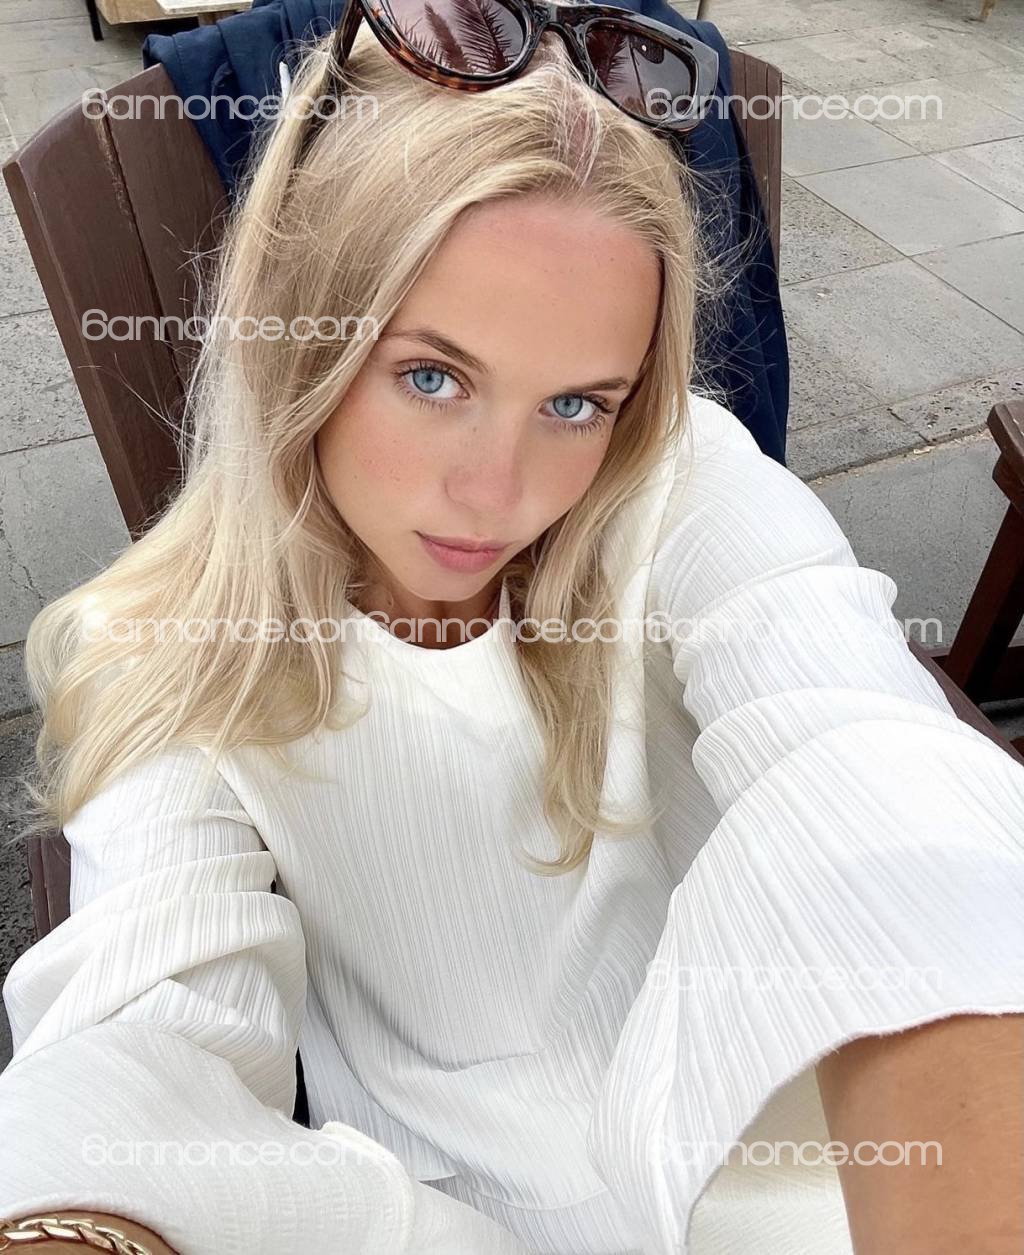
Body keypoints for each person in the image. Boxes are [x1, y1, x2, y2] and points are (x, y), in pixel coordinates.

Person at [2, 8, 1023, 1255]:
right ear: (303, 338)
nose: (499, 493)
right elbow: (142, 1036)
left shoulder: (673, 485)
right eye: (431, 376)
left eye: (577, 402)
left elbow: (862, 755)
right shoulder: (178, 641)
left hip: (774, 1157)